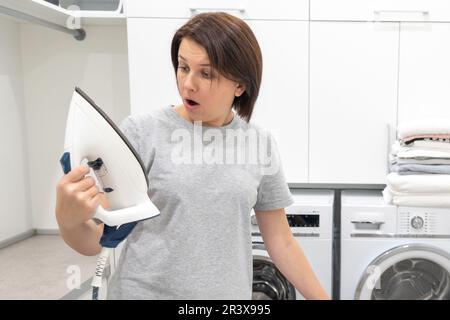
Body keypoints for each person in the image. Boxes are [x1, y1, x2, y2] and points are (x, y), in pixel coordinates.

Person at [55, 12, 329, 300]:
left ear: (240, 85)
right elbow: (98, 240)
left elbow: (281, 241)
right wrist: (67, 219)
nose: (188, 83)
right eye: (183, 67)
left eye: (206, 73)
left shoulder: (259, 143)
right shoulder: (142, 132)